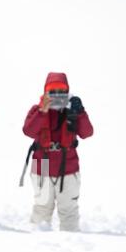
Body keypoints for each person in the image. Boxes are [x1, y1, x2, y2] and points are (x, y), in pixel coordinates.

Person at [22, 72, 93, 231]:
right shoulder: (37, 110)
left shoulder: (73, 111)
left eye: (61, 91)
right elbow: (28, 131)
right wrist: (42, 112)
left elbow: (87, 133)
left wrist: (80, 112)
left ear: (67, 92)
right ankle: (38, 245)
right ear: (45, 92)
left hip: (68, 168)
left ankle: (72, 245)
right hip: (42, 167)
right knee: (41, 209)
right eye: (52, 91)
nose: (57, 95)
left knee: (69, 211)